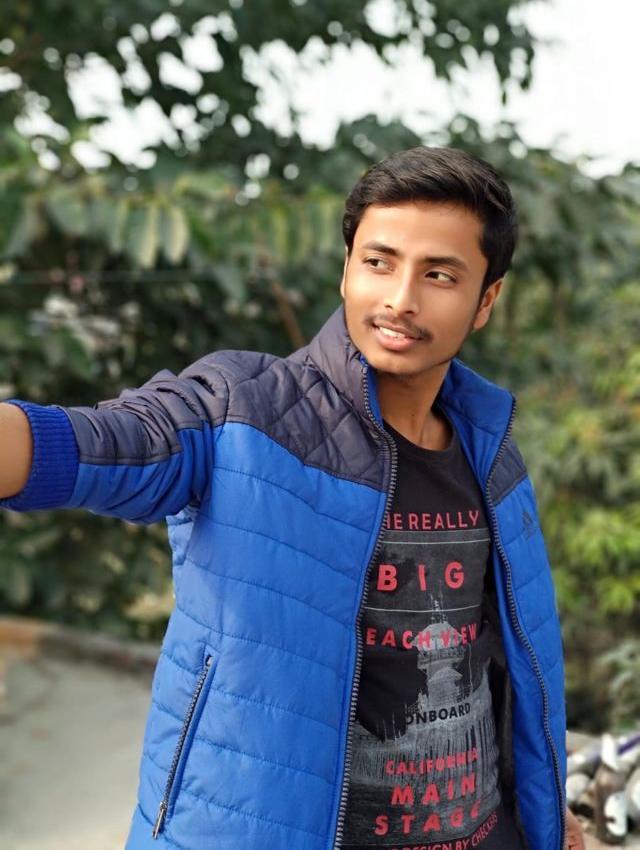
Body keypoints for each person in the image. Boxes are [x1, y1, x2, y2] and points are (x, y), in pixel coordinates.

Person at [0, 147, 584, 849]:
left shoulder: (493, 454)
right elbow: (103, 443)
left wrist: (542, 806)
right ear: (346, 270)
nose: (400, 298)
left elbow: (504, 664)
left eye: (439, 275)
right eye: (379, 262)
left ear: (485, 300)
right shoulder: (243, 411)